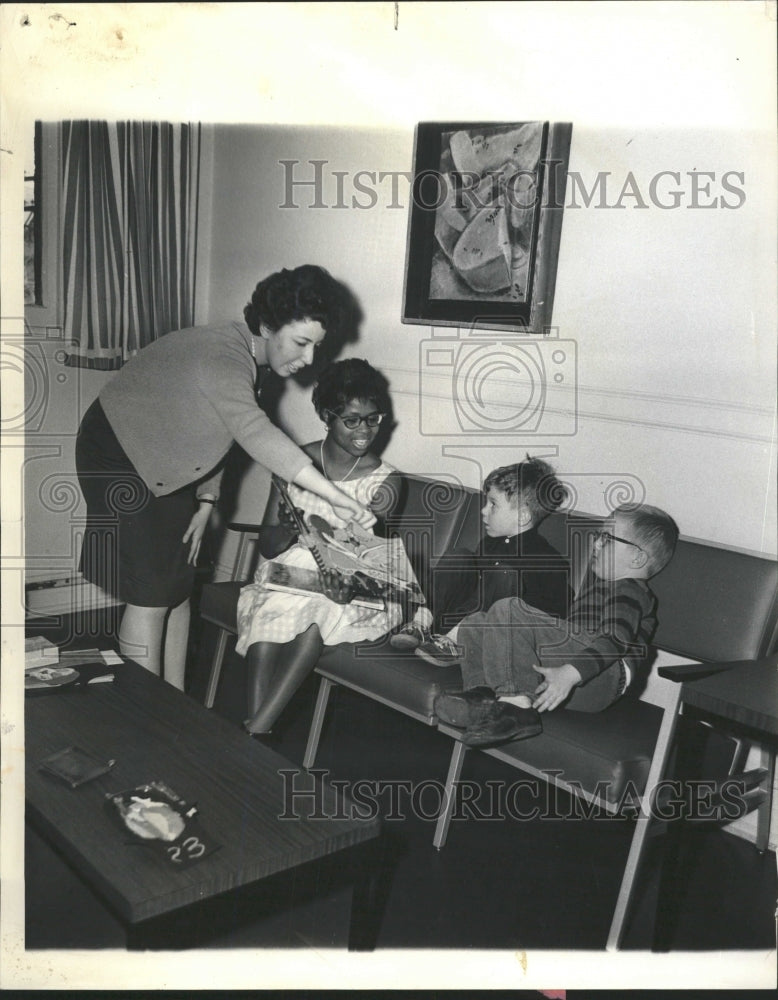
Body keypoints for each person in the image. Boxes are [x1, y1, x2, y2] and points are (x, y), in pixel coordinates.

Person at [75, 265, 375, 690]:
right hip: (116, 453)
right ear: (268, 326)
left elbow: (217, 432)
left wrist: (207, 500)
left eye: (316, 346)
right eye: (301, 342)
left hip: (164, 458)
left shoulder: (253, 361)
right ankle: (144, 713)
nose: (308, 358)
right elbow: (253, 432)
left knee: (177, 587)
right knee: (150, 594)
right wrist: (338, 497)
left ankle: (175, 704)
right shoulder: (223, 355)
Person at [236, 358, 406, 736]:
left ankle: (255, 733)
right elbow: (267, 546)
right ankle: (257, 731)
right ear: (326, 416)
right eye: (352, 420)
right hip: (290, 578)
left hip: (354, 589)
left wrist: (345, 583)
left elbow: (364, 560)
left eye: (373, 419)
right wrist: (284, 526)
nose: (365, 431)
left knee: (314, 621)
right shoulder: (293, 463)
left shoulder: (386, 481)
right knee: (270, 621)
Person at [433, 502, 679, 747]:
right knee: (477, 622)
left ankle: (517, 708)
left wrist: (570, 674)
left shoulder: (630, 590)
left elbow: (615, 640)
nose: (595, 544)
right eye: (598, 536)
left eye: (607, 538)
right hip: (569, 681)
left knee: (508, 608)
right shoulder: (601, 588)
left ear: (637, 557)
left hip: (600, 678)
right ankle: (482, 697)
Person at [390, 457, 572, 663]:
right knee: (460, 556)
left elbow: (555, 615)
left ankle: (456, 642)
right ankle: (421, 625)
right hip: (454, 622)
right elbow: (471, 590)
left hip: (494, 637)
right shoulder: (490, 543)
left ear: (522, 517)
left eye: (493, 504)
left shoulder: (547, 560)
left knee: (503, 575)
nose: (484, 510)